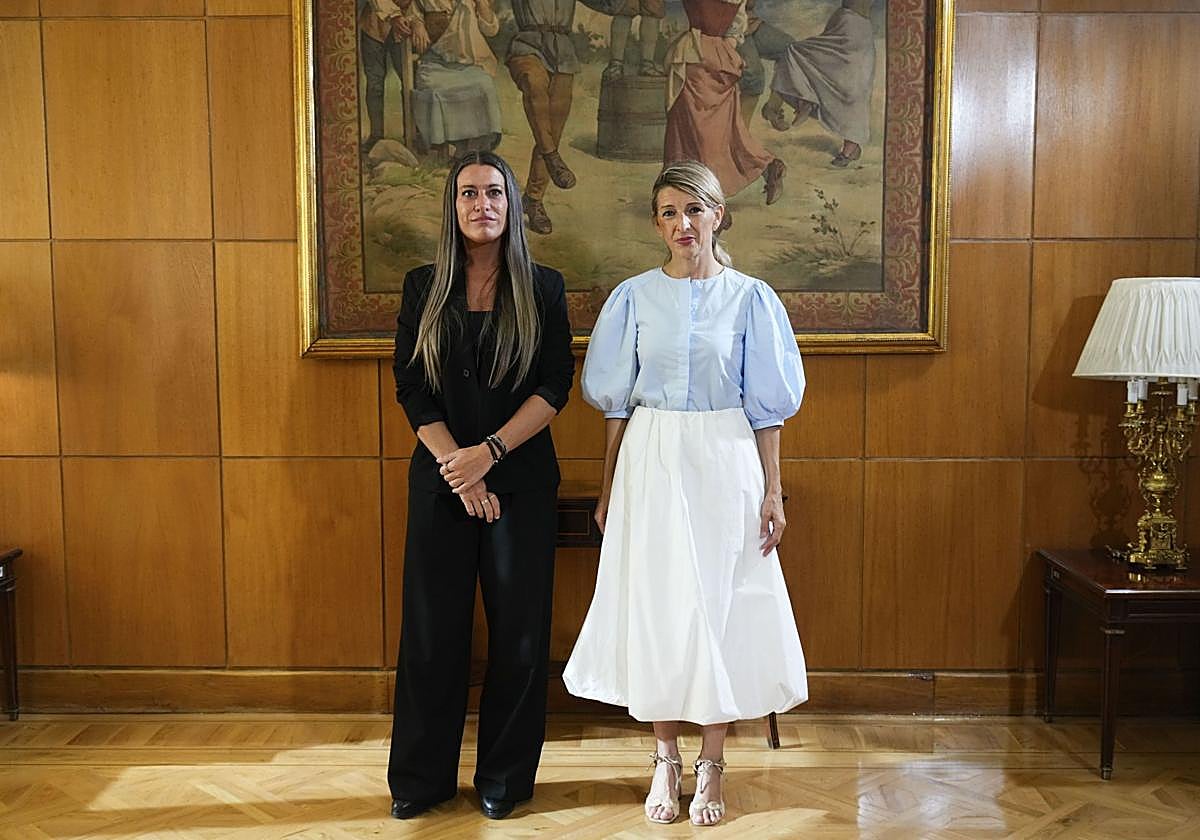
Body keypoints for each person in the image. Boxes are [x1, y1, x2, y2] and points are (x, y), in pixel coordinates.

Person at [563, 160, 808, 827]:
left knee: (719, 605)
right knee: (660, 604)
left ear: (718, 214)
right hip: (651, 456)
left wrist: (774, 492)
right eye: (668, 212)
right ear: (655, 222)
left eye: (694, 210)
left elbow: (767, 410)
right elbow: (615, 406)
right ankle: (665, 758)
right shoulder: (635, 298)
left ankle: (713, 761)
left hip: (726, 457)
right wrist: (610, 487)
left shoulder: (751, 298)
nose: (682, 225)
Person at [387, 152, 575, 822]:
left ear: (512, 205)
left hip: (519, 479)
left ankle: (504, 777)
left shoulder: (545, 288)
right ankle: (420, 778)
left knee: (520, 638)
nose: (481, 204)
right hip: (442, 482)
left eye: (494, 192)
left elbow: (555, 387)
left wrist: (489, 455)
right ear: (453, 206)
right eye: (468, 193)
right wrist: (460, 472)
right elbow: (411, 387)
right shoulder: (422, 287)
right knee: (433, 635)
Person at [663, 0, 787, 208]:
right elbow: (736, 27)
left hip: (697, 54)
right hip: (716, 55)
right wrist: (723, 50)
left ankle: (705, 201)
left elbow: (734, 27)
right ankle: (767, 167)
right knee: (722, 133)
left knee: (702, 134)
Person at [760, 0, 876, 167]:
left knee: (852, 89)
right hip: (842, 24)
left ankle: (850, 146)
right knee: (797, 53)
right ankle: (804, 98)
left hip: (856, 32)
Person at [507, 0, 582, 235]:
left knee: (553, 126)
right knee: (533, 81)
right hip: (527, 46)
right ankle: (552, 157)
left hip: (563, 51)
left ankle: (533, 199)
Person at [403, 0, 504, 155]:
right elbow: (412, 13)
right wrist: (416, 23)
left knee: (484, 85)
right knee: (435, 90)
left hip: (467, 63)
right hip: (435, 63)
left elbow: (491, 30)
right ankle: (452, 146)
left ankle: (472, 149)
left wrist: (481, 4)